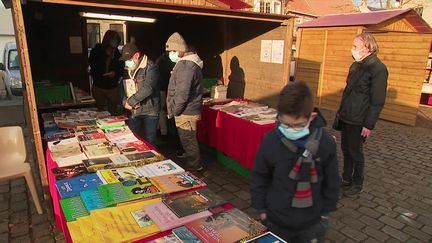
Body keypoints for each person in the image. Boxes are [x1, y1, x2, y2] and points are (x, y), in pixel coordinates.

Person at [251, 81, 339, 243]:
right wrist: (261, 209)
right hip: (275, 219)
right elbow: (260, 176)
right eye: (285, 124)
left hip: (312, 224)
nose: (290, 129)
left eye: (297, 125)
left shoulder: (325, 143)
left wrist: (325, 213)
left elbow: (332, 181)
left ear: (311, 117)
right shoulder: (271, 140)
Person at [337, 33, 388, 197]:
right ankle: (346, 178)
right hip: (347, 116)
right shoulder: (356, 65)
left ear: (367, 47)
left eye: (355, 46)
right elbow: (348, 93)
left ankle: (357, 183)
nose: (352, 49)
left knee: (355, 152)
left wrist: (369, 124)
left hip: (359, 119)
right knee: (346, 149)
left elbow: (377, 100)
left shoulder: (378, 69)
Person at [165, 32, 204, 172]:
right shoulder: (188, 64)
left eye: (172, 51)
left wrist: (173, 110)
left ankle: (194, 168)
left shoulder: (186, 66)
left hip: (185, 111)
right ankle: (194, 164)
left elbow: (182, 93)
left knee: (188, 141)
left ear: (180, 50)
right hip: (187, 110)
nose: (171, 54)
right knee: (188, 140)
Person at [122, 50, 160, 147]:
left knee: (150, 140)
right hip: (134, 111)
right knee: (133, 139)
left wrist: (130, 102)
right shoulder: (129, 67)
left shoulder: (151, 66)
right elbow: (122, 86)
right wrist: (124, 101)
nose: (126, 62)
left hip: (149, 110)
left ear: (136, 55)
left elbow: (148, 88)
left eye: (128, 59)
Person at [89, 30, 124, 115]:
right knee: (100, 111)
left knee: (113, 112)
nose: (115, 42)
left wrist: (115, 73)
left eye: (116, 40)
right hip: (98, 86)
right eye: (113, 39)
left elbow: (121, 69)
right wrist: (106, 55)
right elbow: (92, 65)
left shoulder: (118, 54)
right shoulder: (96, 51)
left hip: (112, 87)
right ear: (108, 39)